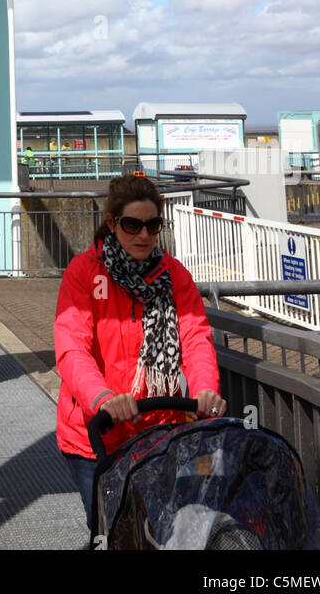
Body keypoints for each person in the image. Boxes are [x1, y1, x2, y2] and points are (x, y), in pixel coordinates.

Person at [54, 172, 225, 530]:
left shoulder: (173, 275)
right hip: (98, 433)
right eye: (132, 225)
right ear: (112, 223)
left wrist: (206, 388)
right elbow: (72, 346)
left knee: (162, 528)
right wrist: (103, 398)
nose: (144, 235)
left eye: (153, 225)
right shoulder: (84, 273)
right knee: (110, 527)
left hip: (160, 428)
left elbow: (194, 336)